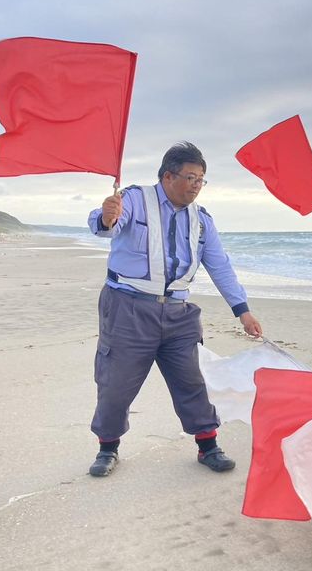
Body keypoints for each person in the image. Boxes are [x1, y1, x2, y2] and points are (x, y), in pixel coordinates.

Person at [86, 141, 262, 476]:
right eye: (191, 178)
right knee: (115, 382)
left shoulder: (202, 220)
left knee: (192, 380)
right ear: (168, 176)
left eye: (201, 180)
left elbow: (219, 265)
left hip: (179, 313)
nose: (197, 186)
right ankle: (107, 448)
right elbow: (107, 223)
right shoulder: (134, 199)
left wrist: (242, 310)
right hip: (128, 308)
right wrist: (106, 217)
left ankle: (208, 445)